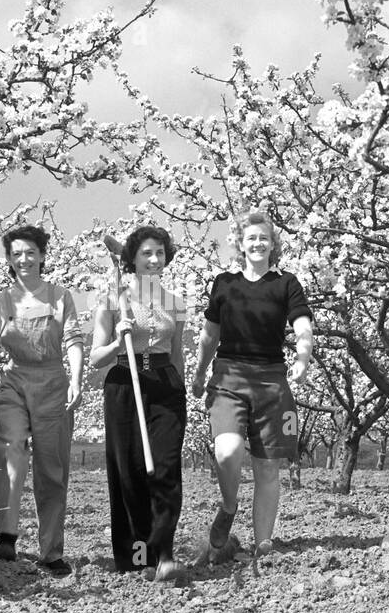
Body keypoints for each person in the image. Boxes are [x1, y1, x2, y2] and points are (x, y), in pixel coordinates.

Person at [190, 211, 314, 558]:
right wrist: (200, 374)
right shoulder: (224, 283)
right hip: (229, 376)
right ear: (240, 245)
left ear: (273, 244)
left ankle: (263, 543)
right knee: (227, 452)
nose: (257, 244)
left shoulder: (286, 283)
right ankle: (229, 508)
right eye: (251, 238)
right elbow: (209, 335)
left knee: (266, 465)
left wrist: (302, 358)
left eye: (264, 238)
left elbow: (302, 326)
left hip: (272, 380)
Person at [90, 225, 187, 581]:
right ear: (132, 259)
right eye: (146, 252)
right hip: (123, 384)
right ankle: (137, 556)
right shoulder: (112, 299)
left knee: (165, 467)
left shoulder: (175, 303)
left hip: (164, 385)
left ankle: (164, 552)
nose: (153, 259)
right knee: (129, 471)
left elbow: (176, 355)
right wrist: (119, 340)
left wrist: (181, 392)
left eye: (159, 252)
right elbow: (96, 358)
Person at [0, 225, 84, 576]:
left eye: (30, 252)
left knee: (52, 468)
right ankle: (7, 536)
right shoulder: (0, 303)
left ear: (42, 256)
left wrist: (75, 378)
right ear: (9, 260)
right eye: (16, 254)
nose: (23, 259)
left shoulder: (60, 297)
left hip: (53, 383)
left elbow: (73, 339)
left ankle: (51, 550)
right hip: (12, 382)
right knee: (9, 448)